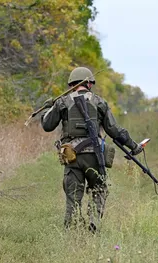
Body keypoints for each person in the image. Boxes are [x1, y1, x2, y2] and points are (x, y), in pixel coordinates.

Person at [41, 67, 143, 232]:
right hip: (95, 156)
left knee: (73, 198)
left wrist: (47, 108)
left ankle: (71, 232)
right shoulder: (99, 102)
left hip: (72, 156)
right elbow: (115, 130)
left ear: (72, 85)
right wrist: (134, 146)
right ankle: (94, 223)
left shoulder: (62, 102)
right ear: (88, 83)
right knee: (99, 190)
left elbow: (47, 125)